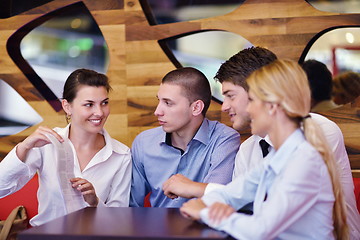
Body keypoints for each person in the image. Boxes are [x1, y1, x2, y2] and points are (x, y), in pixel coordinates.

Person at [163, 46, 360, 239]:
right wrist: (209, 204)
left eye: (253, 101)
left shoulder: (307, 153)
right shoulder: (275, 154)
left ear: (272, 105)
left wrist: (206, 212)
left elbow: (262, 227)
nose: (250, 110)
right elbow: (238, 194)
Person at [0, 69, 132, 226]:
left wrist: (95, 202)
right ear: (67, 106)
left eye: (104, 103)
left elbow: (119, 221)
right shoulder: (47, 144)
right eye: (89, 104)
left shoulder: (121, 155)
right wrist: (24, 147)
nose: (99, 112)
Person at [130, 67, 240, 207]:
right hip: (157, 227)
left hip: (205, 226)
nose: (157, 111)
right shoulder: (144, 142)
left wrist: (190, 187)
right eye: (159, 101)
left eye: (168, 103)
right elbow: (132, 207)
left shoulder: (224, 139)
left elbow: (218, 198)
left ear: (196, 108)